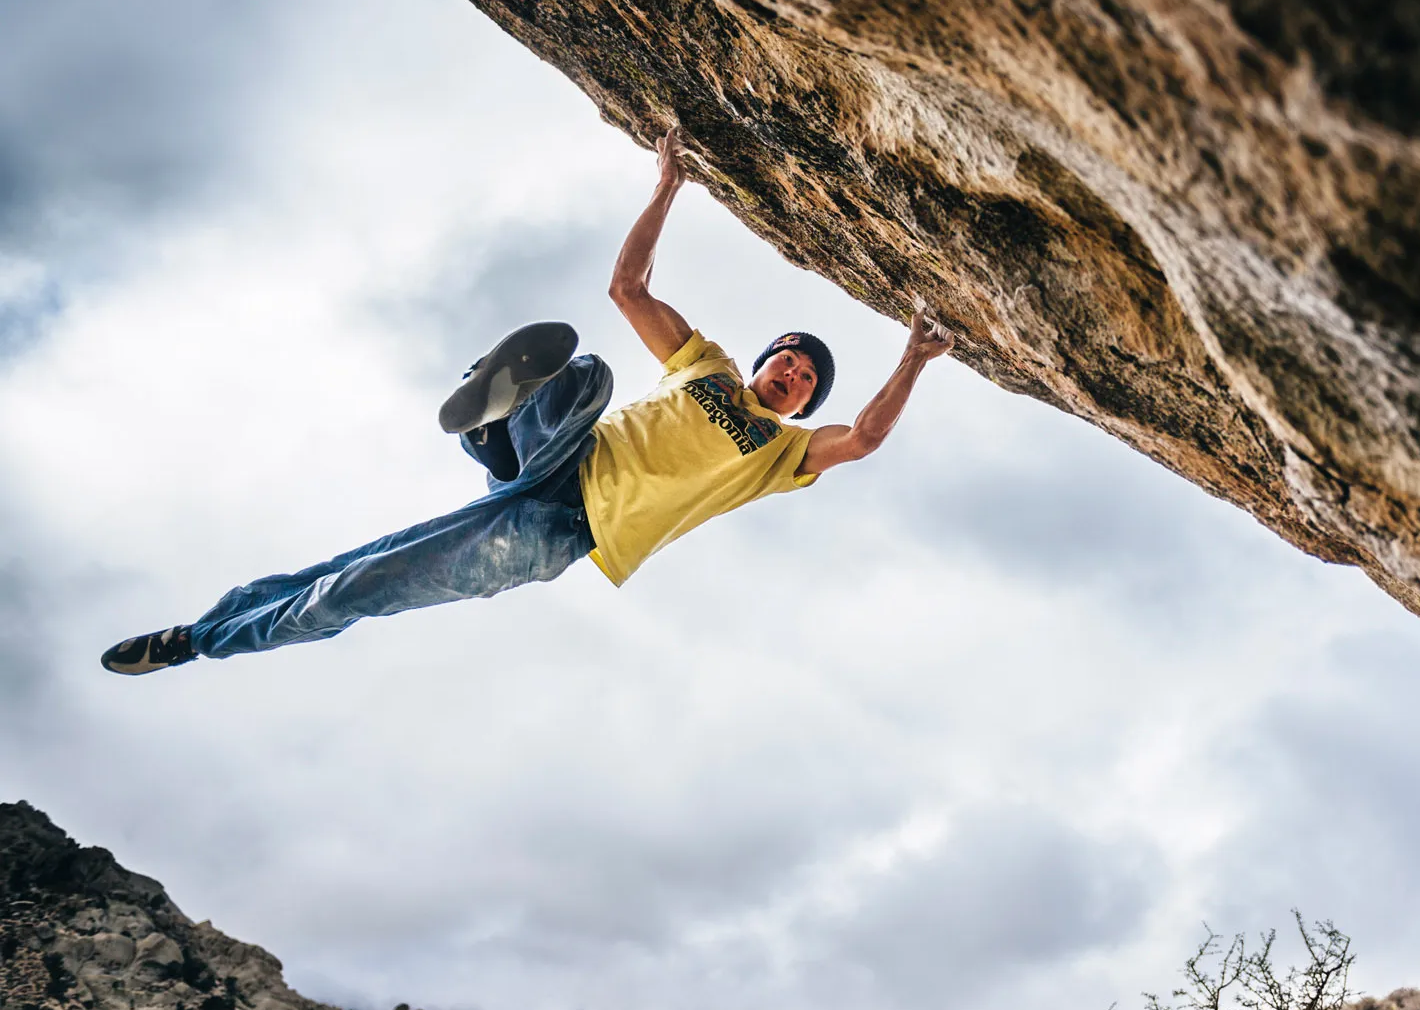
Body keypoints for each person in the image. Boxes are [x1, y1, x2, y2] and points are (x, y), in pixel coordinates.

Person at [100, 128, 954, 675]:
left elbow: (868, 438)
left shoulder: (783, 457)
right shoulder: (711, 369)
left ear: (804, 406)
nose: (793, 373)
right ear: (764, 358)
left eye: (806, 379)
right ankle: (498, 427)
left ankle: (196, 638)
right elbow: (627, 288)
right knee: (589, 376)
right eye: (789, 358)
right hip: (566, 455)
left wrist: (913, 357)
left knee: (356, 585)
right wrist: (667, 186)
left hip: (558, 528)